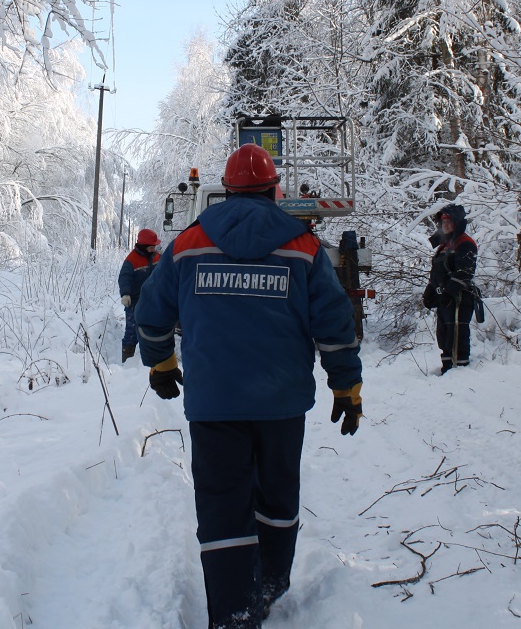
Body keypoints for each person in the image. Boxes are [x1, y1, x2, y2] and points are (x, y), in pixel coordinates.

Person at [135, 144, 363, 629]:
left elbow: (150, 314)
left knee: (222, 505)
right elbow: (334, 324)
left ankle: (234, 612)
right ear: (272, 189)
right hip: (281, 405)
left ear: (229, 187)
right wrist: (346, 387)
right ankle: (269, 587)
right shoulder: (303, 247)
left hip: (214, 404)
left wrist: (161, 362)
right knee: (277, 497)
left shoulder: (188, 244)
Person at [422, 203, 478, 374]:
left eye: (449, 221)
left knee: (457, 335)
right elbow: (437, 272)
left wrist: (450, 292)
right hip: (444, 298)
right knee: (444, 336)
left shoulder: (465, 243)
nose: (445, 224)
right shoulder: (443, 246)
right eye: (443, 221)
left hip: (460, 298)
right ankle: (447, 369)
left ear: (458, 223)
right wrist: (430, 291)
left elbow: (465, 272)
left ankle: (460, 371)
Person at [118, 229, 161, 361]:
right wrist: (125, 294)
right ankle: (126, 359)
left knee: (154, 328)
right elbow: (124, 278)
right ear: (143, 246)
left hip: (153, 300)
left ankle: (150, 357)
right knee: (132, 332)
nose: (154, 249)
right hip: (135, 301)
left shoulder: (157, 256)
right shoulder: (131, 260)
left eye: (155, 247)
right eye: (151, 247)